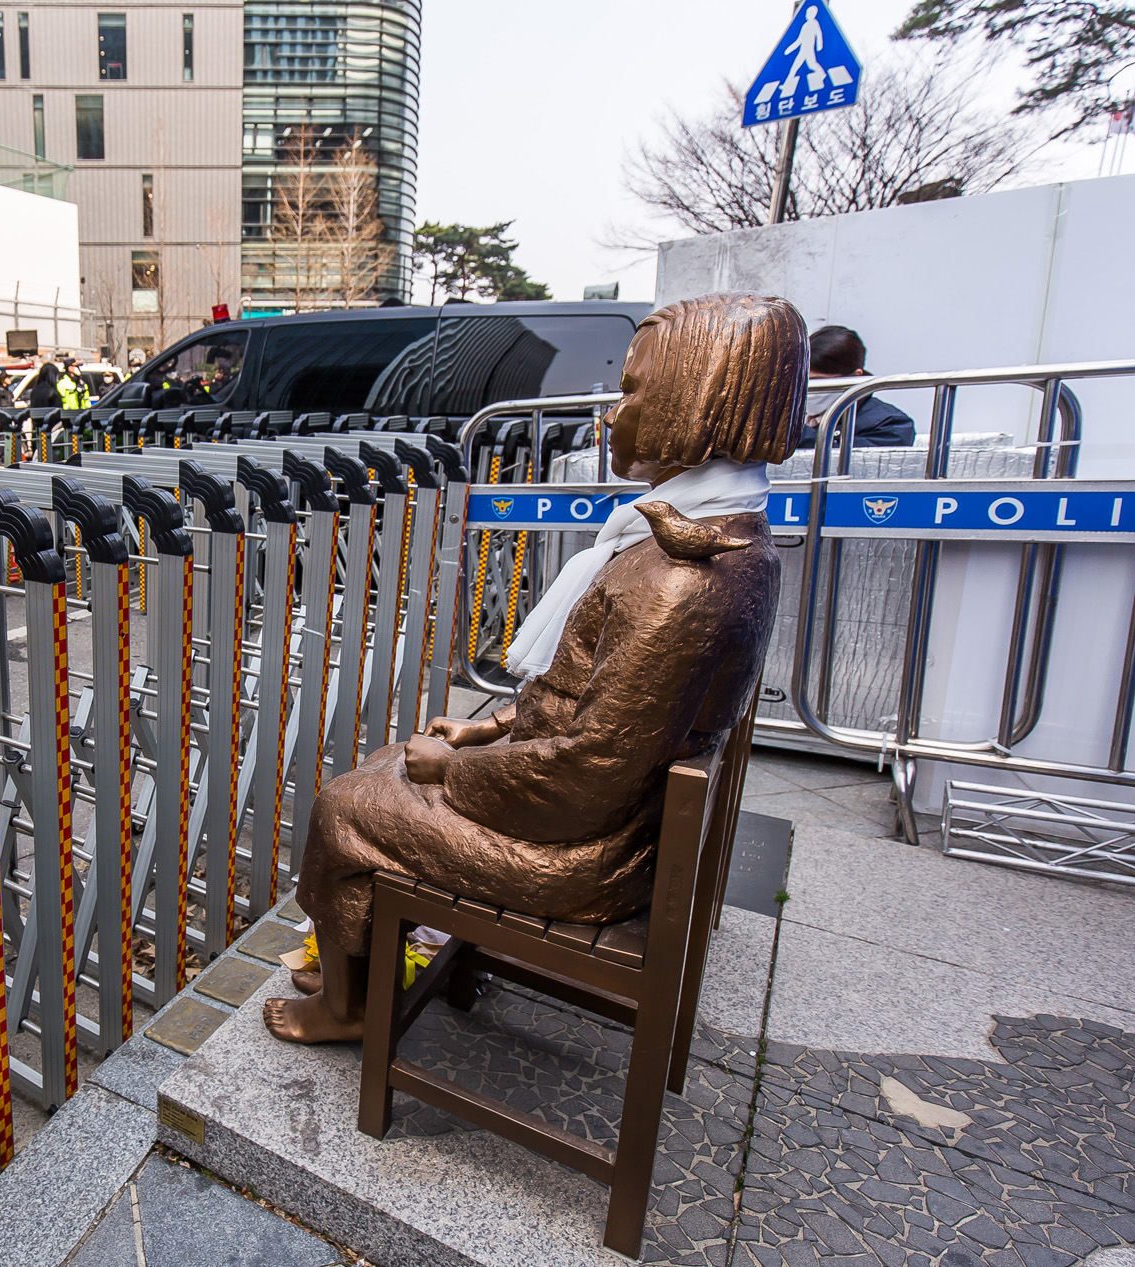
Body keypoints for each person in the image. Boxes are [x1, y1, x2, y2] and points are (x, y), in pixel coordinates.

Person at [267, 293, 802, 1045]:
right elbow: (597, 696)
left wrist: (452, 772)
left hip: (586, 851)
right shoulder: (726, 537)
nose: (613, 414)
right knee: (392, 764)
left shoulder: (680, 577)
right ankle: (356, 960)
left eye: (633, 392)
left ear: (696, 402)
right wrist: (487, 727)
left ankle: (350, 1004)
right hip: (614, 820)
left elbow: (591, 770)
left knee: (342, 808)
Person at [799, 324, 914, 448]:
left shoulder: (890, 425)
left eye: (819, 381)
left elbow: (849, 460)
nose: (808, 388)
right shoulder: (794, 412)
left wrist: (796, 435)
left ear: (855, 376)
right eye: (801, 380)